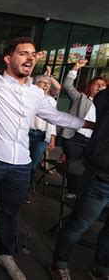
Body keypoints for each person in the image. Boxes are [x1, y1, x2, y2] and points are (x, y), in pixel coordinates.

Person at [0, 5, 92, 280]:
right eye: (23, 53)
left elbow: (60, 117)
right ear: (8, 59)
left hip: (21, 164)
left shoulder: (36, 95)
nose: (29, 58)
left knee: (11, 212)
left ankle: (3, 252)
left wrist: (95, 126)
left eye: (32, 54)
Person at [50, 87, 109, 280]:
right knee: (79, 224)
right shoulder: (105, 97)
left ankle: (102, 269)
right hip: (101, 176)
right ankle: (59, 264)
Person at [61, 58, 107, 195]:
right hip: (75, 139)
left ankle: (84, 193)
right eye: (96, 84)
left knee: (89, 168)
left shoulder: (106, 106)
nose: (99, 87)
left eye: (103, 85)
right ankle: (73, 193)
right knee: (75, 165)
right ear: (90, 87)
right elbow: (68, 86)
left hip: (94, 142)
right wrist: (75, 68)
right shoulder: (81, 98)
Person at [26, 74, 57, 203]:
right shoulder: (28, 96)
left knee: (33, 166)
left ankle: (25, 192)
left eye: (47, 83)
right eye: (41, 82)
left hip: (42, 137)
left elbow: (53, 120)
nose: (45, 85)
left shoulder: (52, 101)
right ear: (35, 84)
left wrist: (53, 137)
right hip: (26, 133)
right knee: (20, 163)